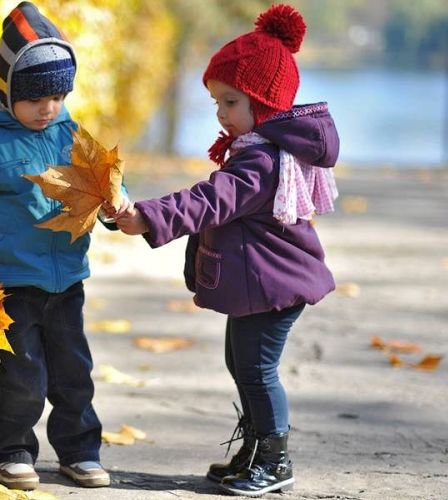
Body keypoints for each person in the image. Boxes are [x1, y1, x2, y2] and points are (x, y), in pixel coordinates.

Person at [113, 4, 339, 497]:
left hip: (275, 287)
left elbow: (211, 200)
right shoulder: (255, 146)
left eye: (230, 101)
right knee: (241, 364)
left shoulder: (260, 160)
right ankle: (257, 448)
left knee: (257, 369)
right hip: (261, 285)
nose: (220, 113)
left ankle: (276, 460)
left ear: (264, 102)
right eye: (216, 101)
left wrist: (149, 216)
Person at [0, 1, 112, 491]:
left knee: (75, 373)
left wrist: (114, 208)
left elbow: (102, 186)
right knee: (23, 375)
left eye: (56, 95)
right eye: (34, 97)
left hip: (67, 281)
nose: (47, 108)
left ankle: (80, 451)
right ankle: (12, 449)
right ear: (6, 89)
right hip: (10, 284)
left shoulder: (72, 136)